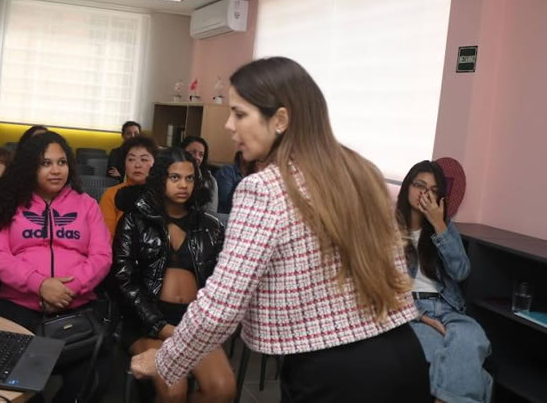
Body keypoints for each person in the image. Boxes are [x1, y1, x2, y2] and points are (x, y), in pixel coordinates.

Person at [130, 57, 430, 403]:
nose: (229, 125)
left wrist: (164, 361)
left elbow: (222, 305)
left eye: (239, 114)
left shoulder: (264, 189)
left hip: (333, 374)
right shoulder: (362, 172)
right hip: (403, 355)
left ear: (281, 119)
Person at [0, 131, 112, 403]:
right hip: (18, 308)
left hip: (76, 308)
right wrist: (41, 285)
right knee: (9, 381)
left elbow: (102, 257)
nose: (56, 170)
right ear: (30, 167)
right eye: (46, 163)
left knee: (94, 379)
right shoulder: (9, 202)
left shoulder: (87, 205)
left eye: (61, 162)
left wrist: (66, 291)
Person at [114, 147, 234, 402]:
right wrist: (159, 326)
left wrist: (200, 325)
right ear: (161, 179)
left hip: (194, 323)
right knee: (174, 388)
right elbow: (124, 281)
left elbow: (220, 283)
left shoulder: (211, 227)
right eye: (175, 177)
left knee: (223, 390)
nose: (183, 185)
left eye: (190, 178)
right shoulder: (135, 220)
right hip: (147, 322)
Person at [398, 160, 492, 403]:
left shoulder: (444, 228)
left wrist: (439, 225)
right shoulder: (389, 229)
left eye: (433, 190)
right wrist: (423, 318)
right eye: (419, 185)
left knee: (474, 339)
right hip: (411, 311)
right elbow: (383, 286)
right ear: (407, 186)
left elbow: (461, 272)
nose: (424, 194)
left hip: (448, 308)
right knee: (439, 351)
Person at [99, 136, 157, 237]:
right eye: (131, 159)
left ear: (155, 163)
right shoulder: (112, 194)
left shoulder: (161, 194)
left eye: (144, 160)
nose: (137, 165)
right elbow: (106, 237)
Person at [180, 136, 218, 214]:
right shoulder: (171, 175)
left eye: (201, 155)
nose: (197, 157)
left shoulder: (210, 181)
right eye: (193, 152)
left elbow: (211, 213)